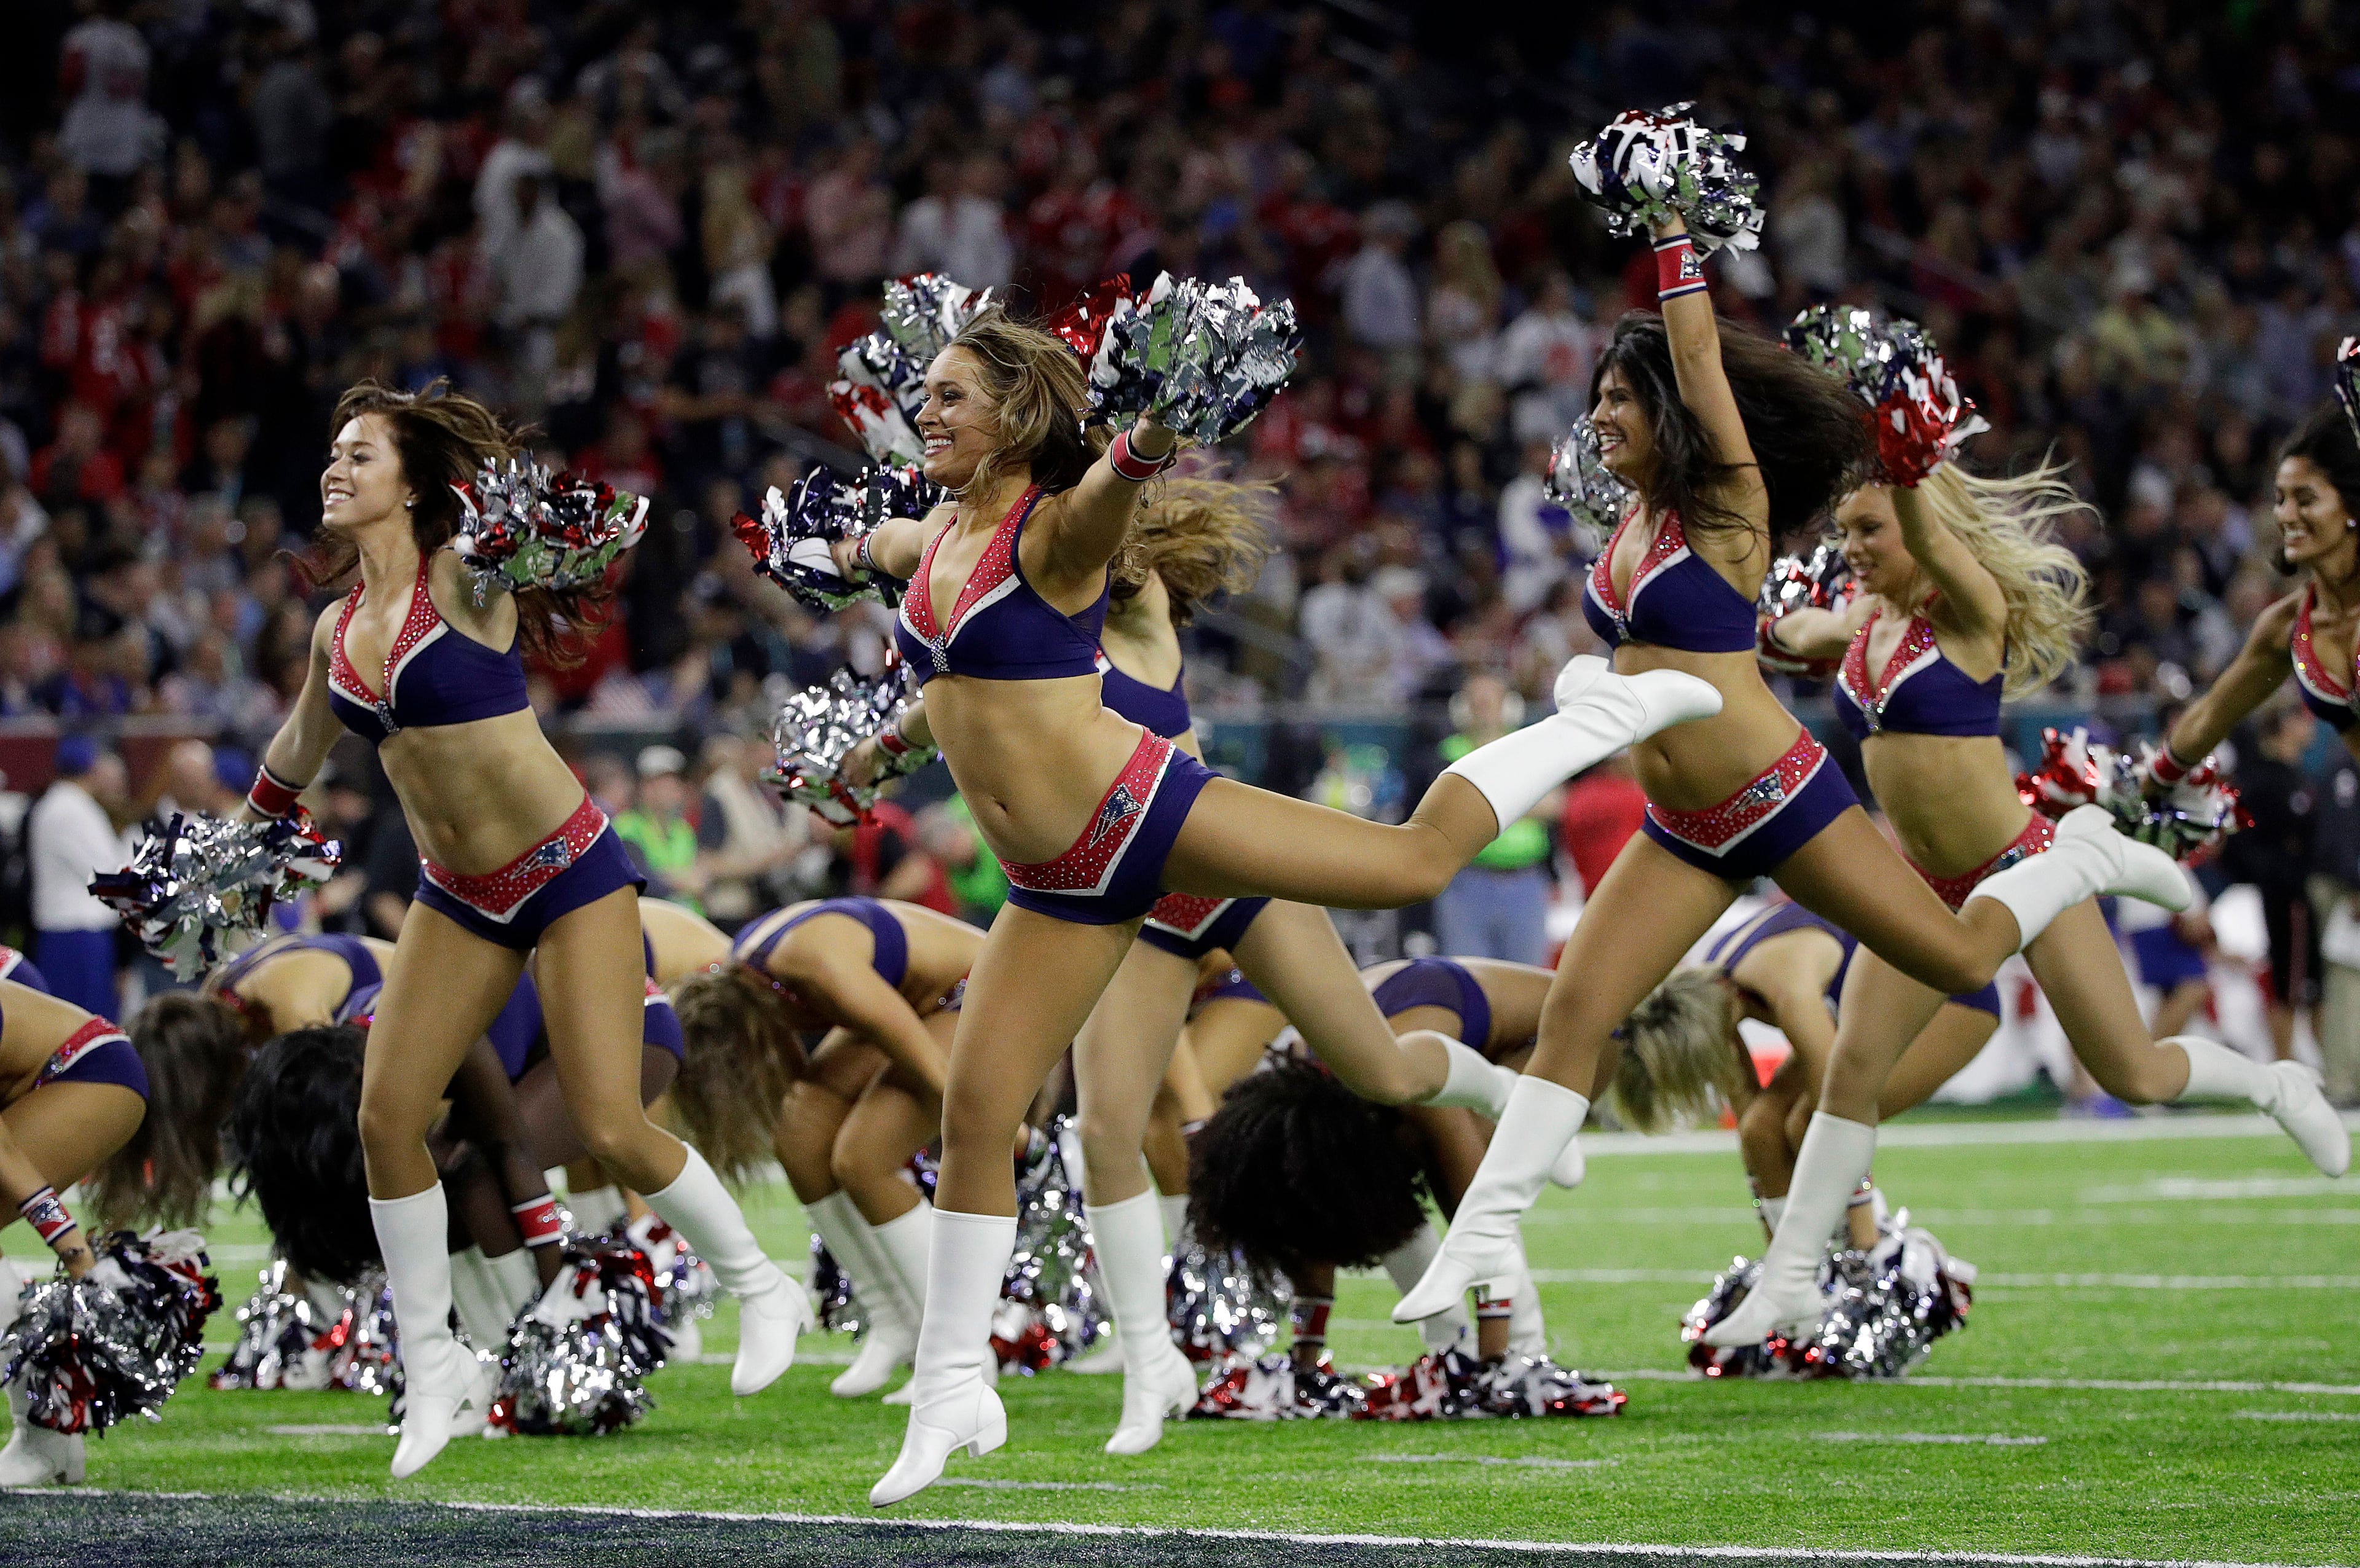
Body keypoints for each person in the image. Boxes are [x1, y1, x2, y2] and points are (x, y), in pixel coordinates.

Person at [810, 304, 1726, 1507]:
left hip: (1146, 817)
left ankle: (1591, 717)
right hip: (1056, 884)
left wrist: (1147, 432)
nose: (925, 411)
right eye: (924, 394)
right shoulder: (939, 530)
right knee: (982, 1118)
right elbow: (932, 650)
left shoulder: (1055, 532)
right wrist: (864, 724)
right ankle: (948, 1390)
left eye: (950, 396)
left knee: (1408, 863)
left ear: (1019, 416)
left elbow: (1106, 496)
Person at [1394, 219, 2189, 1335]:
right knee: (1579, 1007)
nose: (1602, 417)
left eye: (1622, 397)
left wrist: (1671, 234)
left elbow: (1703, 359)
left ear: (1670, 406)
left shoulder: (1727, 501)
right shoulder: (1635, 514)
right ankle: (1485, 1233)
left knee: (1962, 949)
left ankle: (2085, 855)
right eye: (1600, 400)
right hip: (1684, 822)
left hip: (1775, 798)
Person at [843, 464, 1543, 1457]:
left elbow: (1086, 526)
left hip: (1219, 869)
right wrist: (872, 753)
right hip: (1130, 899)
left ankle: (1483, 1086)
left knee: (1377, 1066)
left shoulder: (1130, 606)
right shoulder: (1040, 614)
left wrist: (1103, 477)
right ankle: (1149, 1361)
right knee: (1106, 1130)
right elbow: (953, 692)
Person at [238, 380, 800, 1479]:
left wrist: (560, 531)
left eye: (363, 454)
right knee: (387, 1117)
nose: (336, 468)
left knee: (611, 1117)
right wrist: (240, 849)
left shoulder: (467, 576)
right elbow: (296, 754)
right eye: (334, 452)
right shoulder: (334, 631)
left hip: (570, 870)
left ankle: (755, 1283)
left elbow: (579, 546)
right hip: (460, 894)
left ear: (414, 483)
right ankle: (435, 1361)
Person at [1709, 447, 2346, 1350]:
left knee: (2137, 1073)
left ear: (1920, 528)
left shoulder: (1971, 613)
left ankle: (2277, 1086)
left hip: (2019, 869)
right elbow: (1781, 634)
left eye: (1869, 529)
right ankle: (1793, 1282)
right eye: (1843, 530)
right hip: (1926, 889)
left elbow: (1931, 530)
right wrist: (1745, 611)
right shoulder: (1860, 623)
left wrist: (1905, 444)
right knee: (1849, 1074)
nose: (1850, 546)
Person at [671, 897, 980, 1402]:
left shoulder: (814, 966)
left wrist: (989, 1124)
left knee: (865, 1159)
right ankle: (893, 1321)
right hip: (915, 1006)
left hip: (972, 990)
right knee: (799, 1139)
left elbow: (915, 1050)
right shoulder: (751, 985)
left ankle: (957, 1351)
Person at [1621, 901, 2000, 1241]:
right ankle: (1792, 1279)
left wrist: (1862, 1228)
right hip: (1873, 1015)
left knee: (1808, 1123)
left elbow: (1842, 1112)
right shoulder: (1710, 992)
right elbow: (1751, 1122)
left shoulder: (1784, 985)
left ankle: (1867, 1257)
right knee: (1761, 1129)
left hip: (1950, 998)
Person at [0, 977, 150, 1486]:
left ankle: (45, 1437)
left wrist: (69, 1245)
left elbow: (2, 1151)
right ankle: (47, 1439)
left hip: (86, 1071)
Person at [1432, 673, 1557, 965]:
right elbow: (1452, 812)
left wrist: (1486, 800)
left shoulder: (1531, 745)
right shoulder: (1448, 751)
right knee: (1467, 978)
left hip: (1525, 881)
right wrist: (1522, 798)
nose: (1484, 708)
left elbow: (1553, 804)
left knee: (1527, 979)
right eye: (1477, 702)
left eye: (1491, 700)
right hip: (1468, 881)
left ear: (1510, 706)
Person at [2220, 702, 2320, 1062]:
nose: (2310, 727)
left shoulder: (2292, 776)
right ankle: (2287, 1067)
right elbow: (2242, 841)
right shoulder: (2267, 780)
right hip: (2286, 892)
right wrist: (2277, 870)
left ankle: (2310, 1066)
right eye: (2302, 720)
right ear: (2285, 725)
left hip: (2292, 889)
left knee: (2304, 983)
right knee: (2292, 984)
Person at [26, 735, 127, 1017]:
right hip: (75, 936)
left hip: (71, 934)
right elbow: (108, 872)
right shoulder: (71, 808)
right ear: (92, 768)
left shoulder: (60, 804)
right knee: (82, 1024)